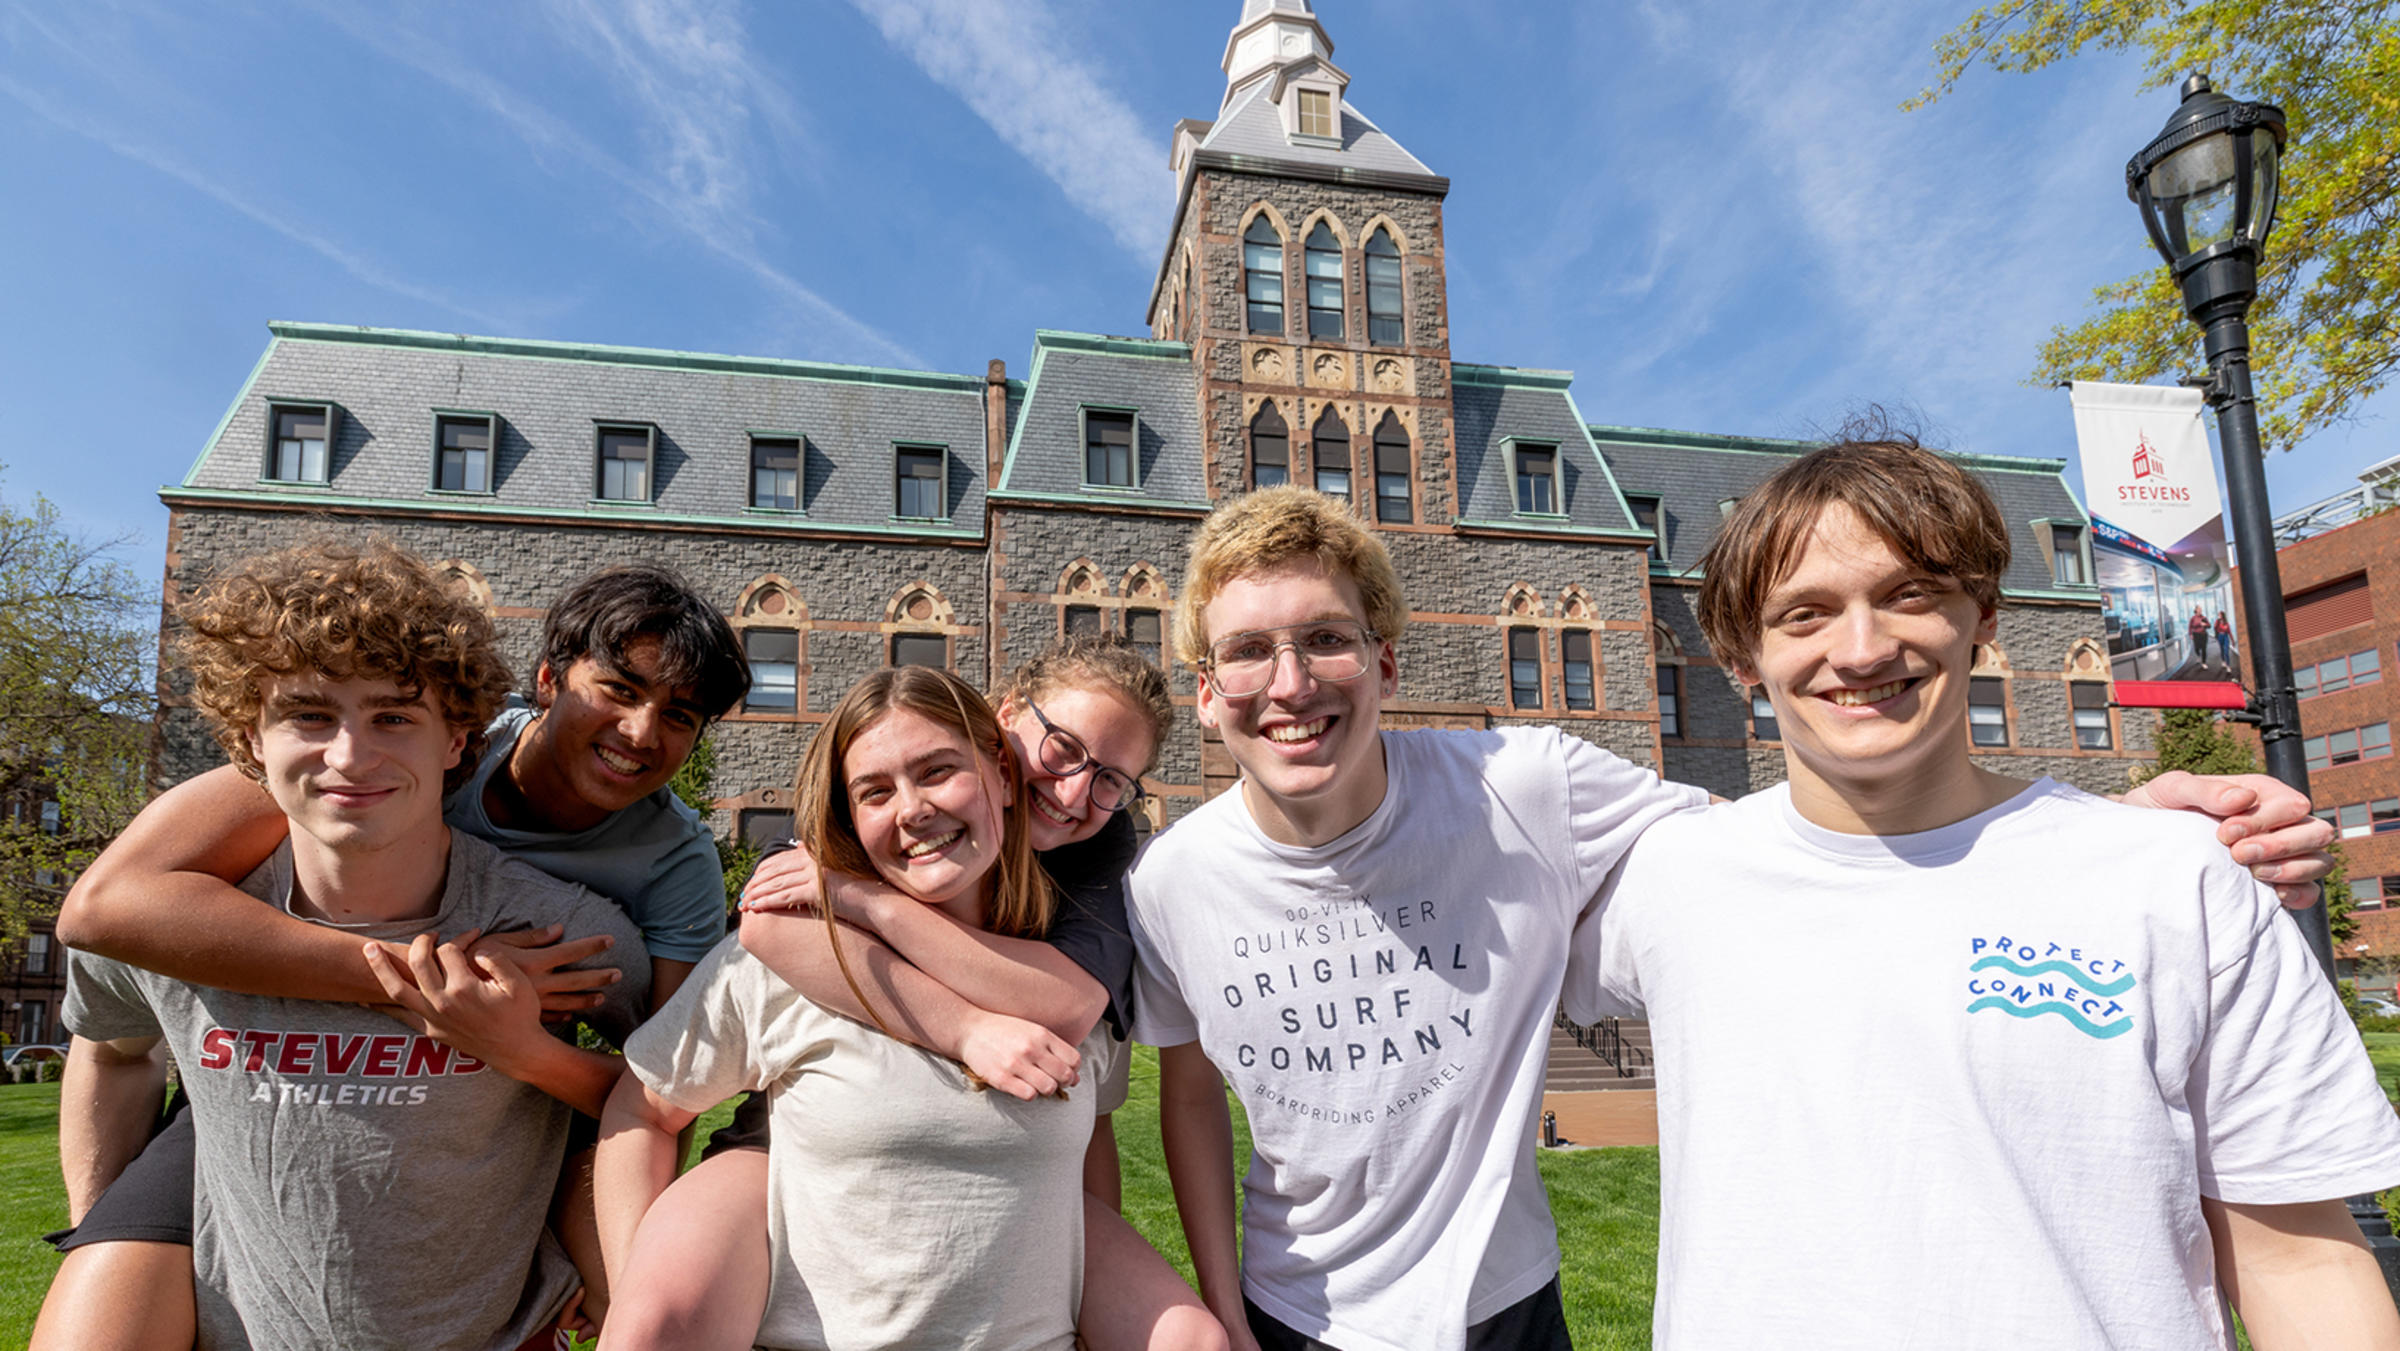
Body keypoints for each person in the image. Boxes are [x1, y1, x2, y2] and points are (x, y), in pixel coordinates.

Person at [1125, 484, 2335, 1351]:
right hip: (1300, 1311)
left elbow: (1830, 832)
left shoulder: (1530, 784)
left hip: (1507, 1300)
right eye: (1248, 654)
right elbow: (1183, 1091)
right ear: (1205, 688)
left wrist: (2112, 824)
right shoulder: (1169, 884)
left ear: (1387, 662)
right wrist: (1223, 1306)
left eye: (1327, 640)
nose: (1288, 684)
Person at [1566, 436, 2400, 1348]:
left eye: (1908, 594)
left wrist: (2107, 829)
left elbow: (2300, 1259)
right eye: (1804, 613)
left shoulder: (2175, 879)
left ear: (1983, 616)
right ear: (1741, 658)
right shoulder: (1668, 877)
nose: (1861, 647)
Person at [43, 559, 751, 1342]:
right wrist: (417, 981)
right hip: (253, 1074)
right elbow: (104, 910)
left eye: (680, 715)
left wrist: (611, 1258)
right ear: (548, 682)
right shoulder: (381, 740)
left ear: (452, 738)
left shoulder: (665, 863)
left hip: (502, 1091)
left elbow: (666, 1087)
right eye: (618, 689)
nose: (640, 732)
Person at [603, 638, 1225, 1351]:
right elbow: (761, 933)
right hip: (793, 1203)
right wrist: (633, 1290)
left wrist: (873, 902)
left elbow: (1085, 1097)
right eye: (1061, 750)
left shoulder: (1082, 904)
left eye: (1113, 779)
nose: (1074, 792)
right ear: (1006, 730)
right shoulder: (805, 923)